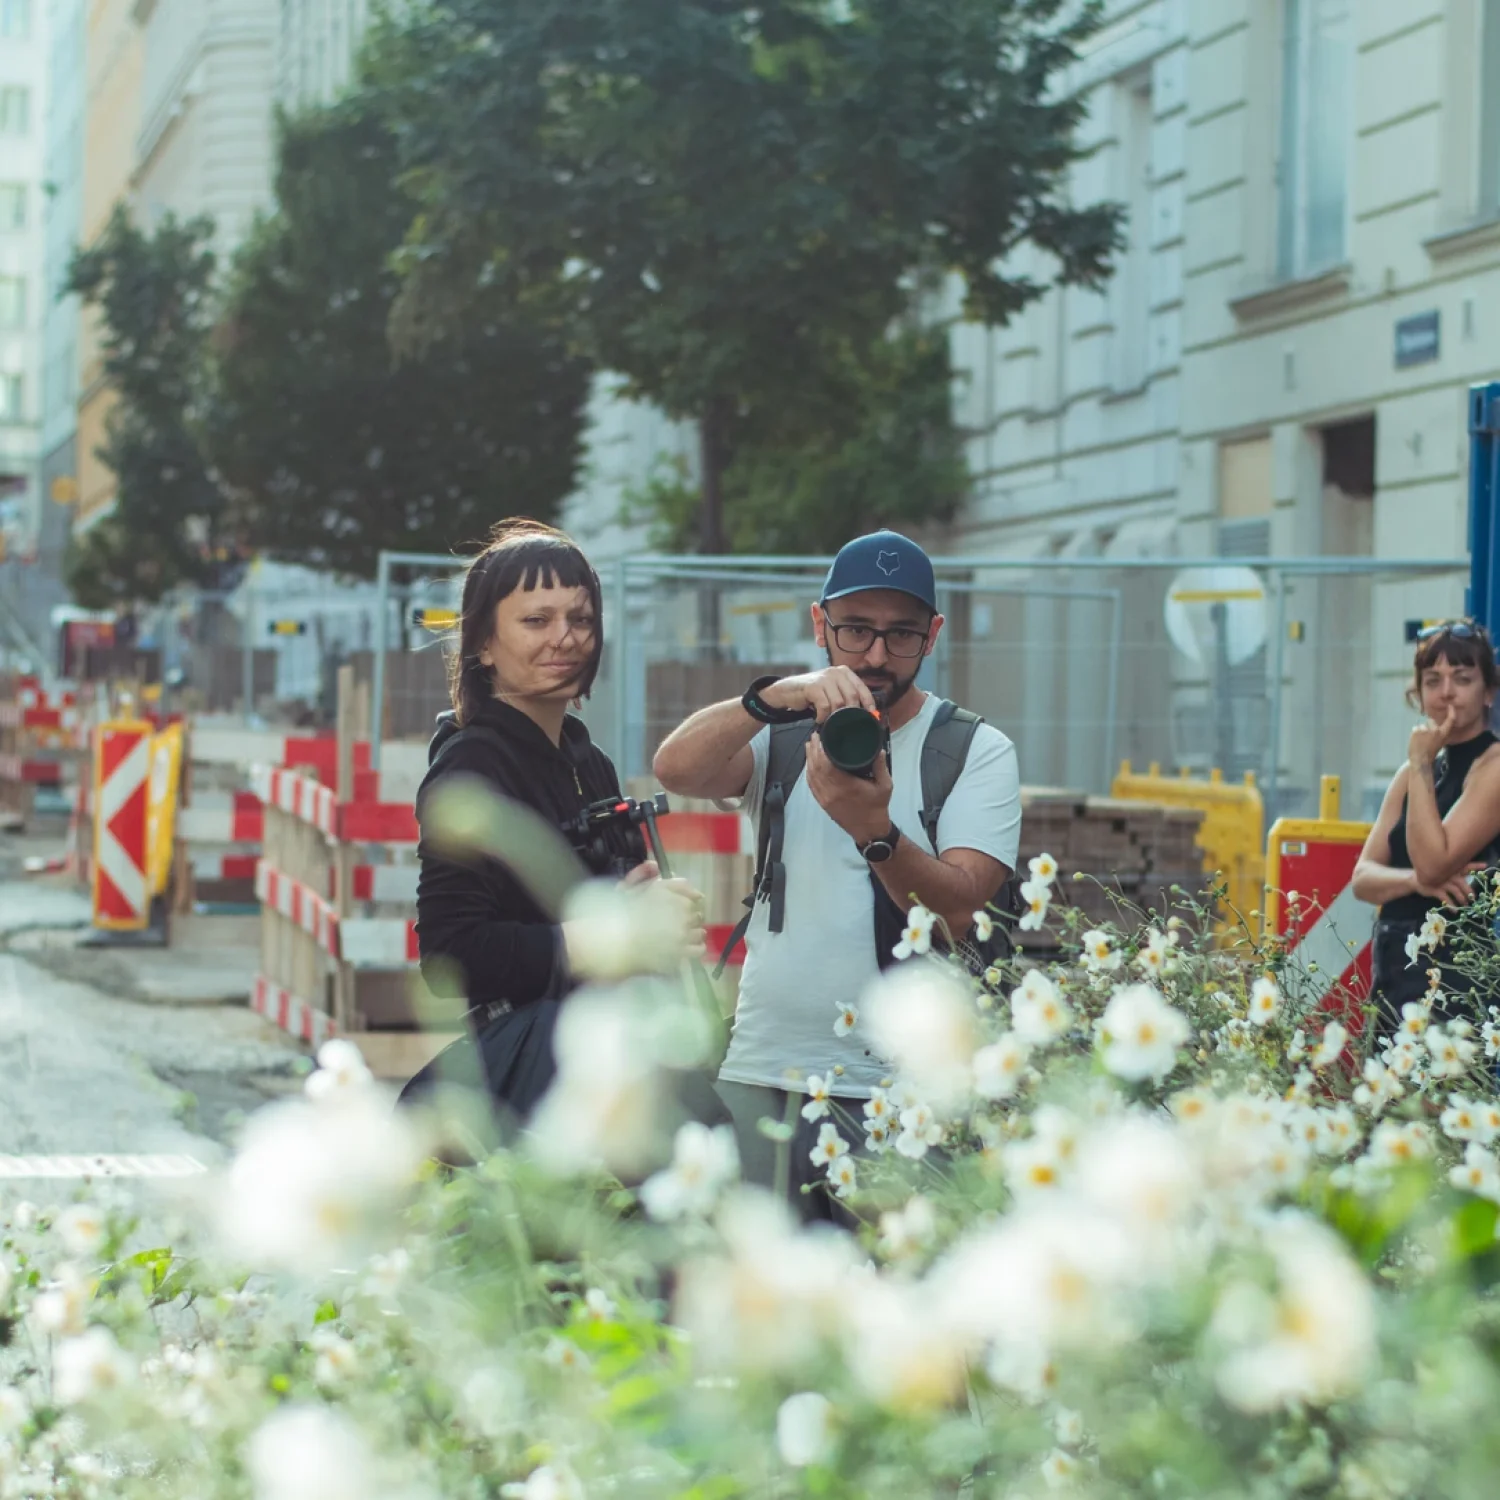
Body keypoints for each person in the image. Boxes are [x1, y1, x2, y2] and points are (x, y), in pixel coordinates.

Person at [653, 529, 1022, 1215]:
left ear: (933, 635)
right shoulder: (785, 730)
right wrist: (778, 696)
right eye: (855, 630)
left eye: (902, 634)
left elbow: (963, 909)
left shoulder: (973, 750)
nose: (877, 655)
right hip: (763, 1072)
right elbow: (677, 768)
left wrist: (874, 831)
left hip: (906, 1094)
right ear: (819, 624)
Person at [402, 518, 708, 1130]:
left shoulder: (587, 760)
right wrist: (597, 939)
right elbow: (448, 955)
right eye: (536, 621)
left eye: (581, 620)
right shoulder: (472, 764)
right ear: (483, 643)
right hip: (530, 1082)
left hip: (605, 1057)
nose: (564, 639)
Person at [1352, 619, 1500, 1036]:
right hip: (1394, 969)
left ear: (1488, 692)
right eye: (1433, 680)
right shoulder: (1413, 772)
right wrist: (1414, 882)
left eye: (1463, 678)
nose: (1447, 691)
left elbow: (1435, 862)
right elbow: (1363, 879)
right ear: (1419, 695)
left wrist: (1419, 763)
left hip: (1452, 973)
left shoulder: (1492, 766)